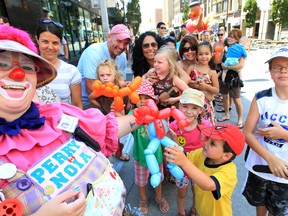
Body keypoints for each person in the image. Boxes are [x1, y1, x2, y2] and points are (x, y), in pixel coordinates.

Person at [0, 24, 141, 216]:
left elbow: (106, 128)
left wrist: (143, 116)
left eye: (26, 67)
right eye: (3, 64)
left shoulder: (56, 113)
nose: (18, 74)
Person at [242, 47, 288, 216]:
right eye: (277, 67)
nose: (283, 70)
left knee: (278, 211)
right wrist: (270, 158)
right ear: (270, 72)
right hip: (260, 166)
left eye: (287, 66)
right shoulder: (261, 98)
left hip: (284, 173)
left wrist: (283, 134)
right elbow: (247, 133)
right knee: (259, 204)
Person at [164, 123, 245, 216]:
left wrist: (184, 162)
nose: (206, 143)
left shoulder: (229, 171)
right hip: (201, 210)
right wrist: (172, 144)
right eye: (208, 138)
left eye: (212, 143)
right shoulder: (201, 155)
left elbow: (209, 185)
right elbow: (183, 158)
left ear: (226, 155)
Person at [169, 88, 212, 216]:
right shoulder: (174, 126)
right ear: (179, 106)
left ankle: (194, 208)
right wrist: (170, 137)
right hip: (181, 168)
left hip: (198, 166)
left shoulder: (206, 126)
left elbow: (211, 146)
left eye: (194, 108)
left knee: (197, 191)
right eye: (185, 106)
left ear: (200, 110)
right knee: (181, 193)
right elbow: (169, 146)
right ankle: (181, 212)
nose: (188, 111)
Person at [131, 82, 169, 215]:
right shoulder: (133, 115)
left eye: (146, 98)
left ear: (153, 101)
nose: (142, 101)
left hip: (156, 156)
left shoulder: (157, 116)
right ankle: (143, 200)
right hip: (140, 156)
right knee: (141, 182)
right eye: (139, 98)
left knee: (157, 178)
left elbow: (164, 132)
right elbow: (124, 125)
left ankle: (159, 198)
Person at [77, 24, 131, 108]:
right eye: (119, 41)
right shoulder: (94, 52)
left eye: (125, 43)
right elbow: (91, 88)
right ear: (109, 37)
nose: (122, 46)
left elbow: (120, 81)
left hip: (111, 99)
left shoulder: (122, 56)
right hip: (88, 103)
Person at [88, 59, 130, 161]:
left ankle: (119, 153)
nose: (105, 78)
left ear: (114, 75)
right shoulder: (100, 90)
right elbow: (90, 98)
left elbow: (128, 99)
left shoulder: (120, 87)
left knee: (116, 138)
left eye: (108, 75)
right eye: (102, 75)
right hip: (105, 117)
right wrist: (101, 106)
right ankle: (105, 157)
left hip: (118, 117)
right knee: (105, 138)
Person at [36, 19, 83, 109]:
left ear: (61, 44)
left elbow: (77, 106)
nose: (50, 47)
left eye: (55, 43)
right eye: (45, 41)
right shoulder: (28, 69)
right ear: (37, 40)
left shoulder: (71, 71)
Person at [217, 29, 246, 129]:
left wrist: (228, 67)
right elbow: (219, 62)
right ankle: (226, 114)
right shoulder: (226, 49)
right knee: (225, 96)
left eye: (232, 37)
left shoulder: (240, 50)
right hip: (224, 77)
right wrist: (222, 54)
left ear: (237, 39)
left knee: (237, 99)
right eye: (229, 36)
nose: (229, 38)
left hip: (235, 78)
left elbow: (241, 65)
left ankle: (240, 119)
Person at [187, 41, 219, 125]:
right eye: (200, 54)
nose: (204, 56)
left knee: (207, 128)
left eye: (206, 54)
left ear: (211, 55)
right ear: (197, 55)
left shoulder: (212, 72)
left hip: (207, 105)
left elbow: (216, 90)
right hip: (192, 104)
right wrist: (194, 83)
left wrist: (205, 86)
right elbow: (185, 82)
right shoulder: (192, 68)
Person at [152, 45, 189, 110]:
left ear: (169, 65)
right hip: (157, 111)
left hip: (172, 112)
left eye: (159, 62)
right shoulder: (153, 73)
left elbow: (189, 92)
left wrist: (175, 99)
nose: (155, 64)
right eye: (154, 61)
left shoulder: (173, 78)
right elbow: (143, 78)